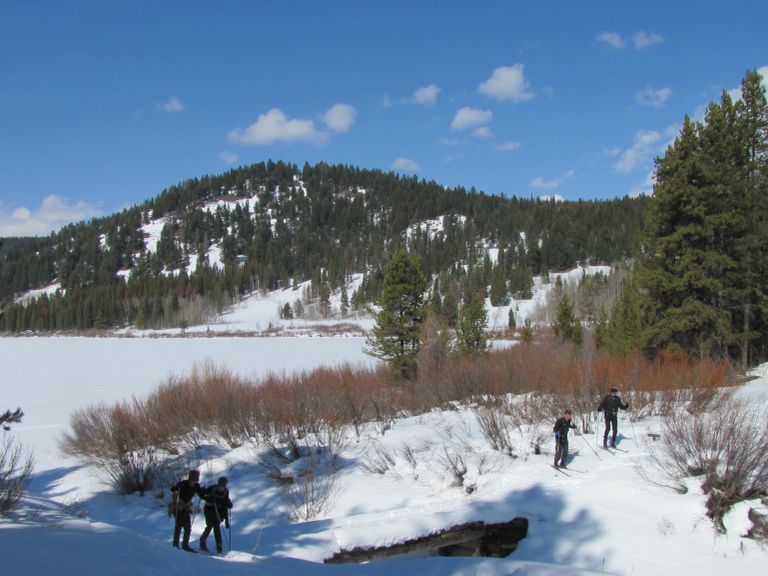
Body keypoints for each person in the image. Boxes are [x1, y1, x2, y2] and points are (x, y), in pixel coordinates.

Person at [171, 469, 207, 552]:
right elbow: (173, 489)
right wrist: (175, 488)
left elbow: (201, 495)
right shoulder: (183, 484)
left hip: (186, 508)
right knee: (178, 526)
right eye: (192, 480)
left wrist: (204, 492)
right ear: (189, 479)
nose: (193, 482)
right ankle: (175, 544)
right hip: (178, 507)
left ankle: (185, 545)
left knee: (187, 527)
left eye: (195, 480)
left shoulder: (196, 486)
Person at [199, 476, 233, 554]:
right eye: (220, 486)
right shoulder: (212, 488)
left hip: (218, 510)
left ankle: (219, 545)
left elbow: (225, 501)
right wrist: (208, 498)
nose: (221, 488)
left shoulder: (226, 491)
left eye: (223, 486)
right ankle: (202, 541)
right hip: (209, 508)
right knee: (210, 524)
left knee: (217, 526)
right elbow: (202, 496)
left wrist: (229, 504)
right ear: (218, 484)